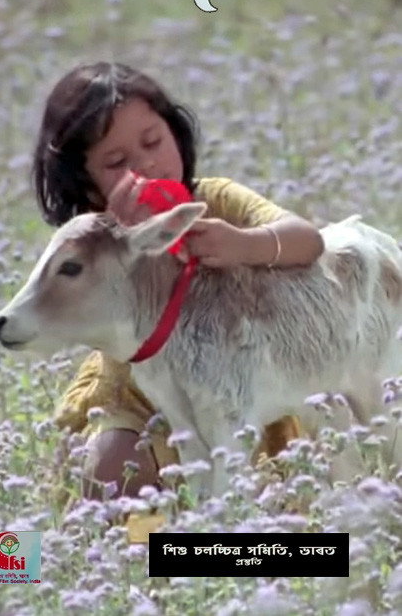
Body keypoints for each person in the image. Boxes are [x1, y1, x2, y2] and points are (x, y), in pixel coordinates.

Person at [31, 61, 324, 501]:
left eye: (153, 141)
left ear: (176, 133)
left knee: (260, 493)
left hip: (239, 391)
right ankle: (119, 544)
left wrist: (245, 245)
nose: (146, 164)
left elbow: (308, 240)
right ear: (88, 187)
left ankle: (199, 539)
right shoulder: (95, 241)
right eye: (117, 163)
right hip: (140, 399)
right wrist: (129, 241)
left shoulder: (216, 200)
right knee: (107, 474)